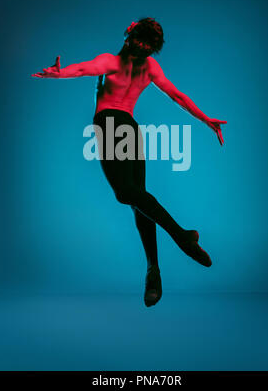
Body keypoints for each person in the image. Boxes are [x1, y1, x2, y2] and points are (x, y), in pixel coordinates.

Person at [32, 17, 227, 307]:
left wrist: (59, 75)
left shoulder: (115, 61)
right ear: (132, 35)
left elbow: (89, 68)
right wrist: (205, 119)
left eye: (147, 45)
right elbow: (177, 96)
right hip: (130, 127)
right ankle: (154, 272)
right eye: (141, 41)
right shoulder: (147, 66)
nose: (142, 47)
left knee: (127, 193)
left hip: (112, 122)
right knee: (138, 199)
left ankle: (182, 236)